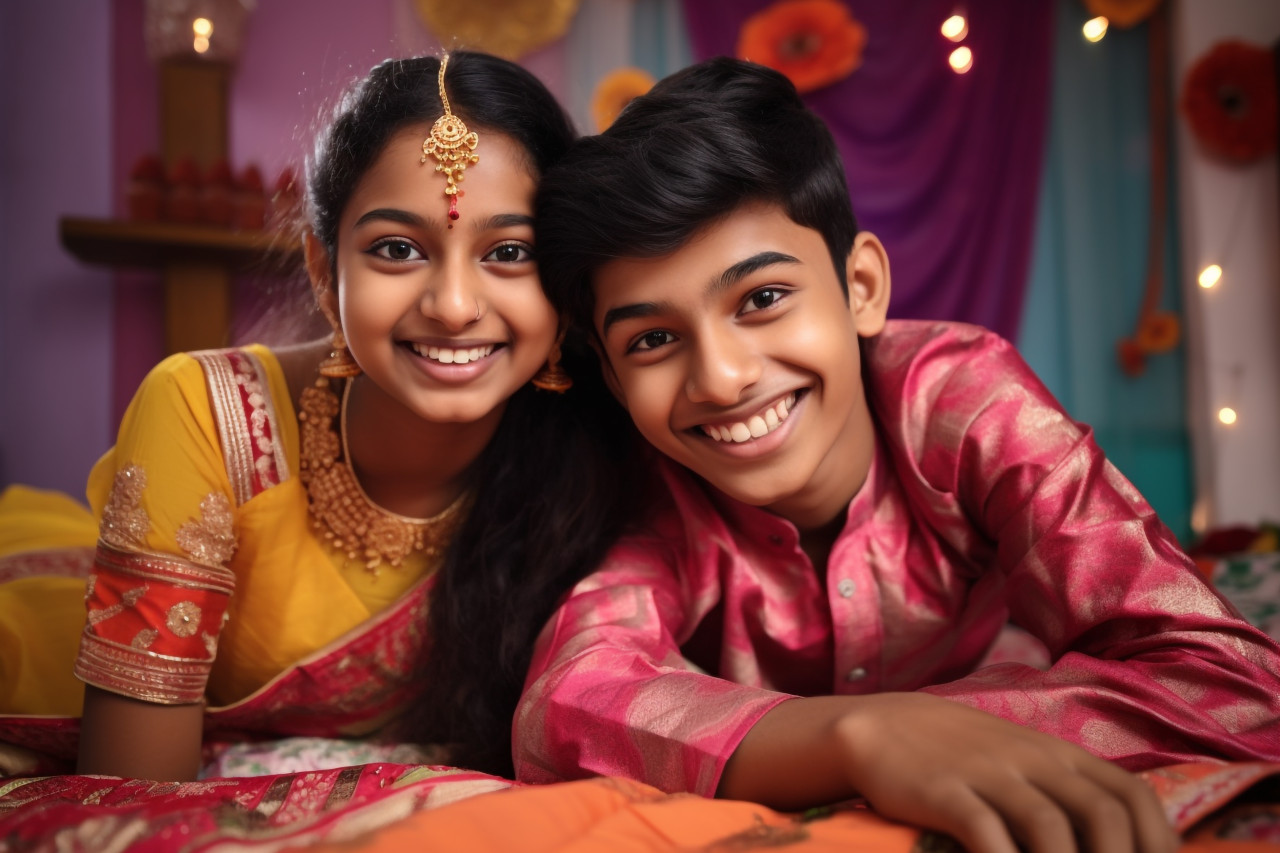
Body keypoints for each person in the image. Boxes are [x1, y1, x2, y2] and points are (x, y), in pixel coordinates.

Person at [514, 57, 1280, 853]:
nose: (721, 377)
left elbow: (1228, 682)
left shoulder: (965, 401)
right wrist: (854, 737)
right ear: (611, 372)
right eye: (654, 340)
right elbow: (565, 703)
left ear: (863, 288)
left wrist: (938, 723)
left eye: (763, 298)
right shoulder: (649, 493)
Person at [0, 50, 630, 782]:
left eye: (510, 251)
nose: (454, 306)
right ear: (324, 271)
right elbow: (135, 794)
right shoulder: (206, 414)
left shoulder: (598, 442)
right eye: (397, 249)